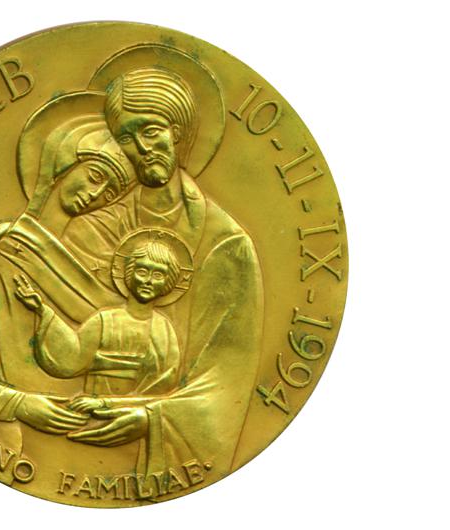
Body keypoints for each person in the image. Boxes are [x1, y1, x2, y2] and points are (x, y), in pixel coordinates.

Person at [0, 96, 137, 486]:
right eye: (94, 176)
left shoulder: (94, 274)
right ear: (62, 164)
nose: (96, 195)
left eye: (109, 194)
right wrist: (17, 404)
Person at [61, 67, 265, 477]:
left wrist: (151, 419)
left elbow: (227, 379)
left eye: (151, 131)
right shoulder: (92, 229)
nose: (141, 147)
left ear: (178, 133)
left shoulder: (225, 244)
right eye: (125, 138)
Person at [13, 236, 184, 400]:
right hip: (92, 407)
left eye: (158, 275)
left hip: (137, 411)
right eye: (142, 271)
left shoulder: (165, 331)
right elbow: (72, 358)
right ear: (129, 274)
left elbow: (165, 383)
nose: (148, 281)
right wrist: (41, 309)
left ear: (168, 283)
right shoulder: (105, 321)